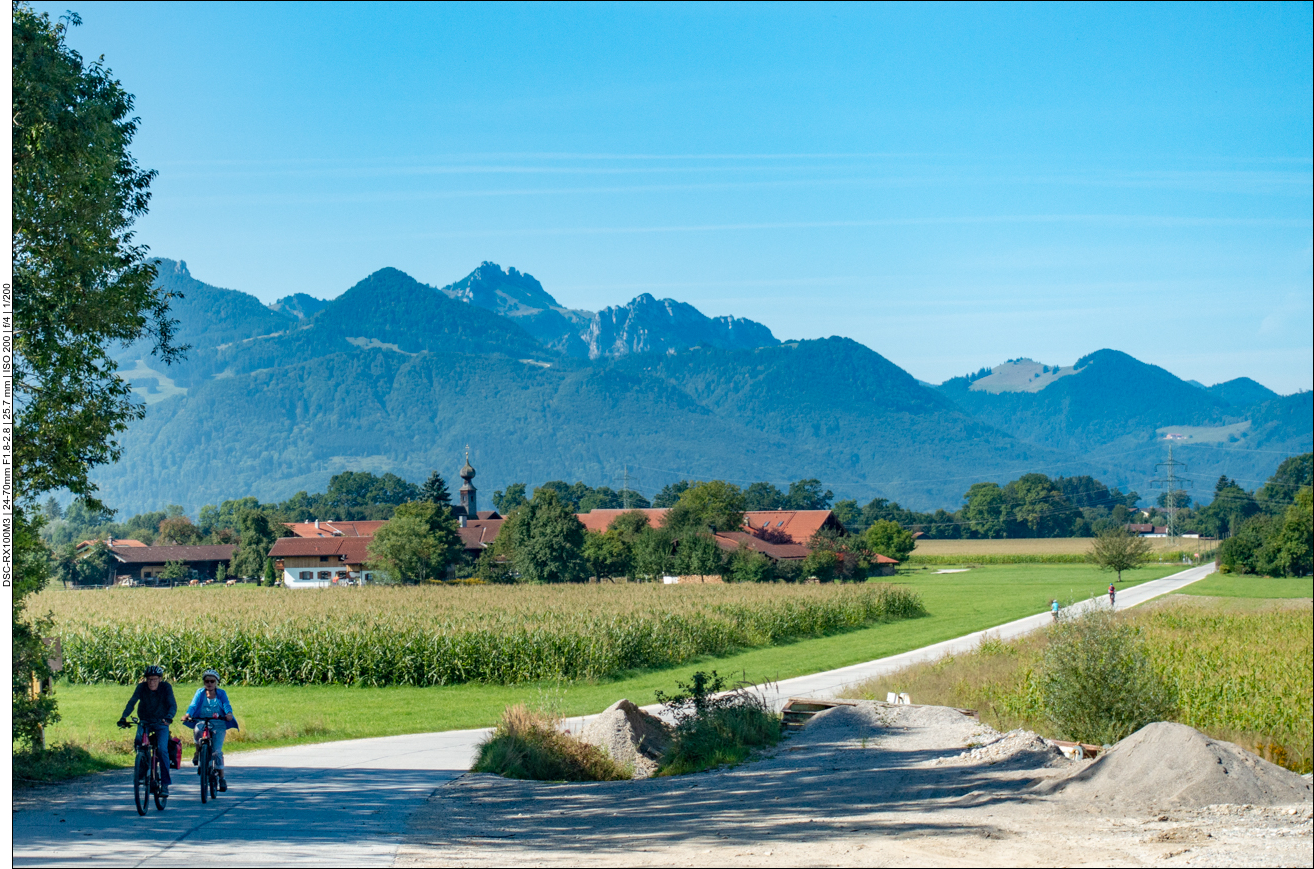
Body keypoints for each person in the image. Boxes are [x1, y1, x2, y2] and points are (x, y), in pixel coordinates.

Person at [117, 664, 176, 796]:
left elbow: (172, 704)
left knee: (162, 749)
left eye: (155, 679)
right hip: (144, 721)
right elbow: (132, 702)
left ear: (160, 679)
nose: (152, 682)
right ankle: (142, 769)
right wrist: (124, 717)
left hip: (161, 722)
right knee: (139, 743)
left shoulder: (166, 687)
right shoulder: (141, 687)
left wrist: (169, 717)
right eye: (149, 679)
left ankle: (165, 784)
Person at [183, 668, 238, 792]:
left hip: (218, 723)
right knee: (197, 730)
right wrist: (188, 715)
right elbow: (193, 705)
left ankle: (222, 778)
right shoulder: (200, 693)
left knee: (217, 752)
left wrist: (228, 713)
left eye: (212, 681)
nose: (209, 684)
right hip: (202, 720)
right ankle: (198, 753)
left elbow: (226, 704)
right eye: (207, 681)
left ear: (216, 682)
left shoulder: (221, 693)